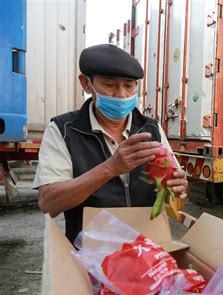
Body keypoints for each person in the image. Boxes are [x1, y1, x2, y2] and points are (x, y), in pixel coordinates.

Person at [33, 44, 188, 244]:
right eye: (110, 85)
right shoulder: (63, 130)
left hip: (148, 250)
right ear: (86, 83)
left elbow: (177, 192)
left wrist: (178, 186)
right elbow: (48, 202)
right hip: (92, 254)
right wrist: (110, 168)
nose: (121, 94)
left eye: (129, 86)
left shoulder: (152, 129)